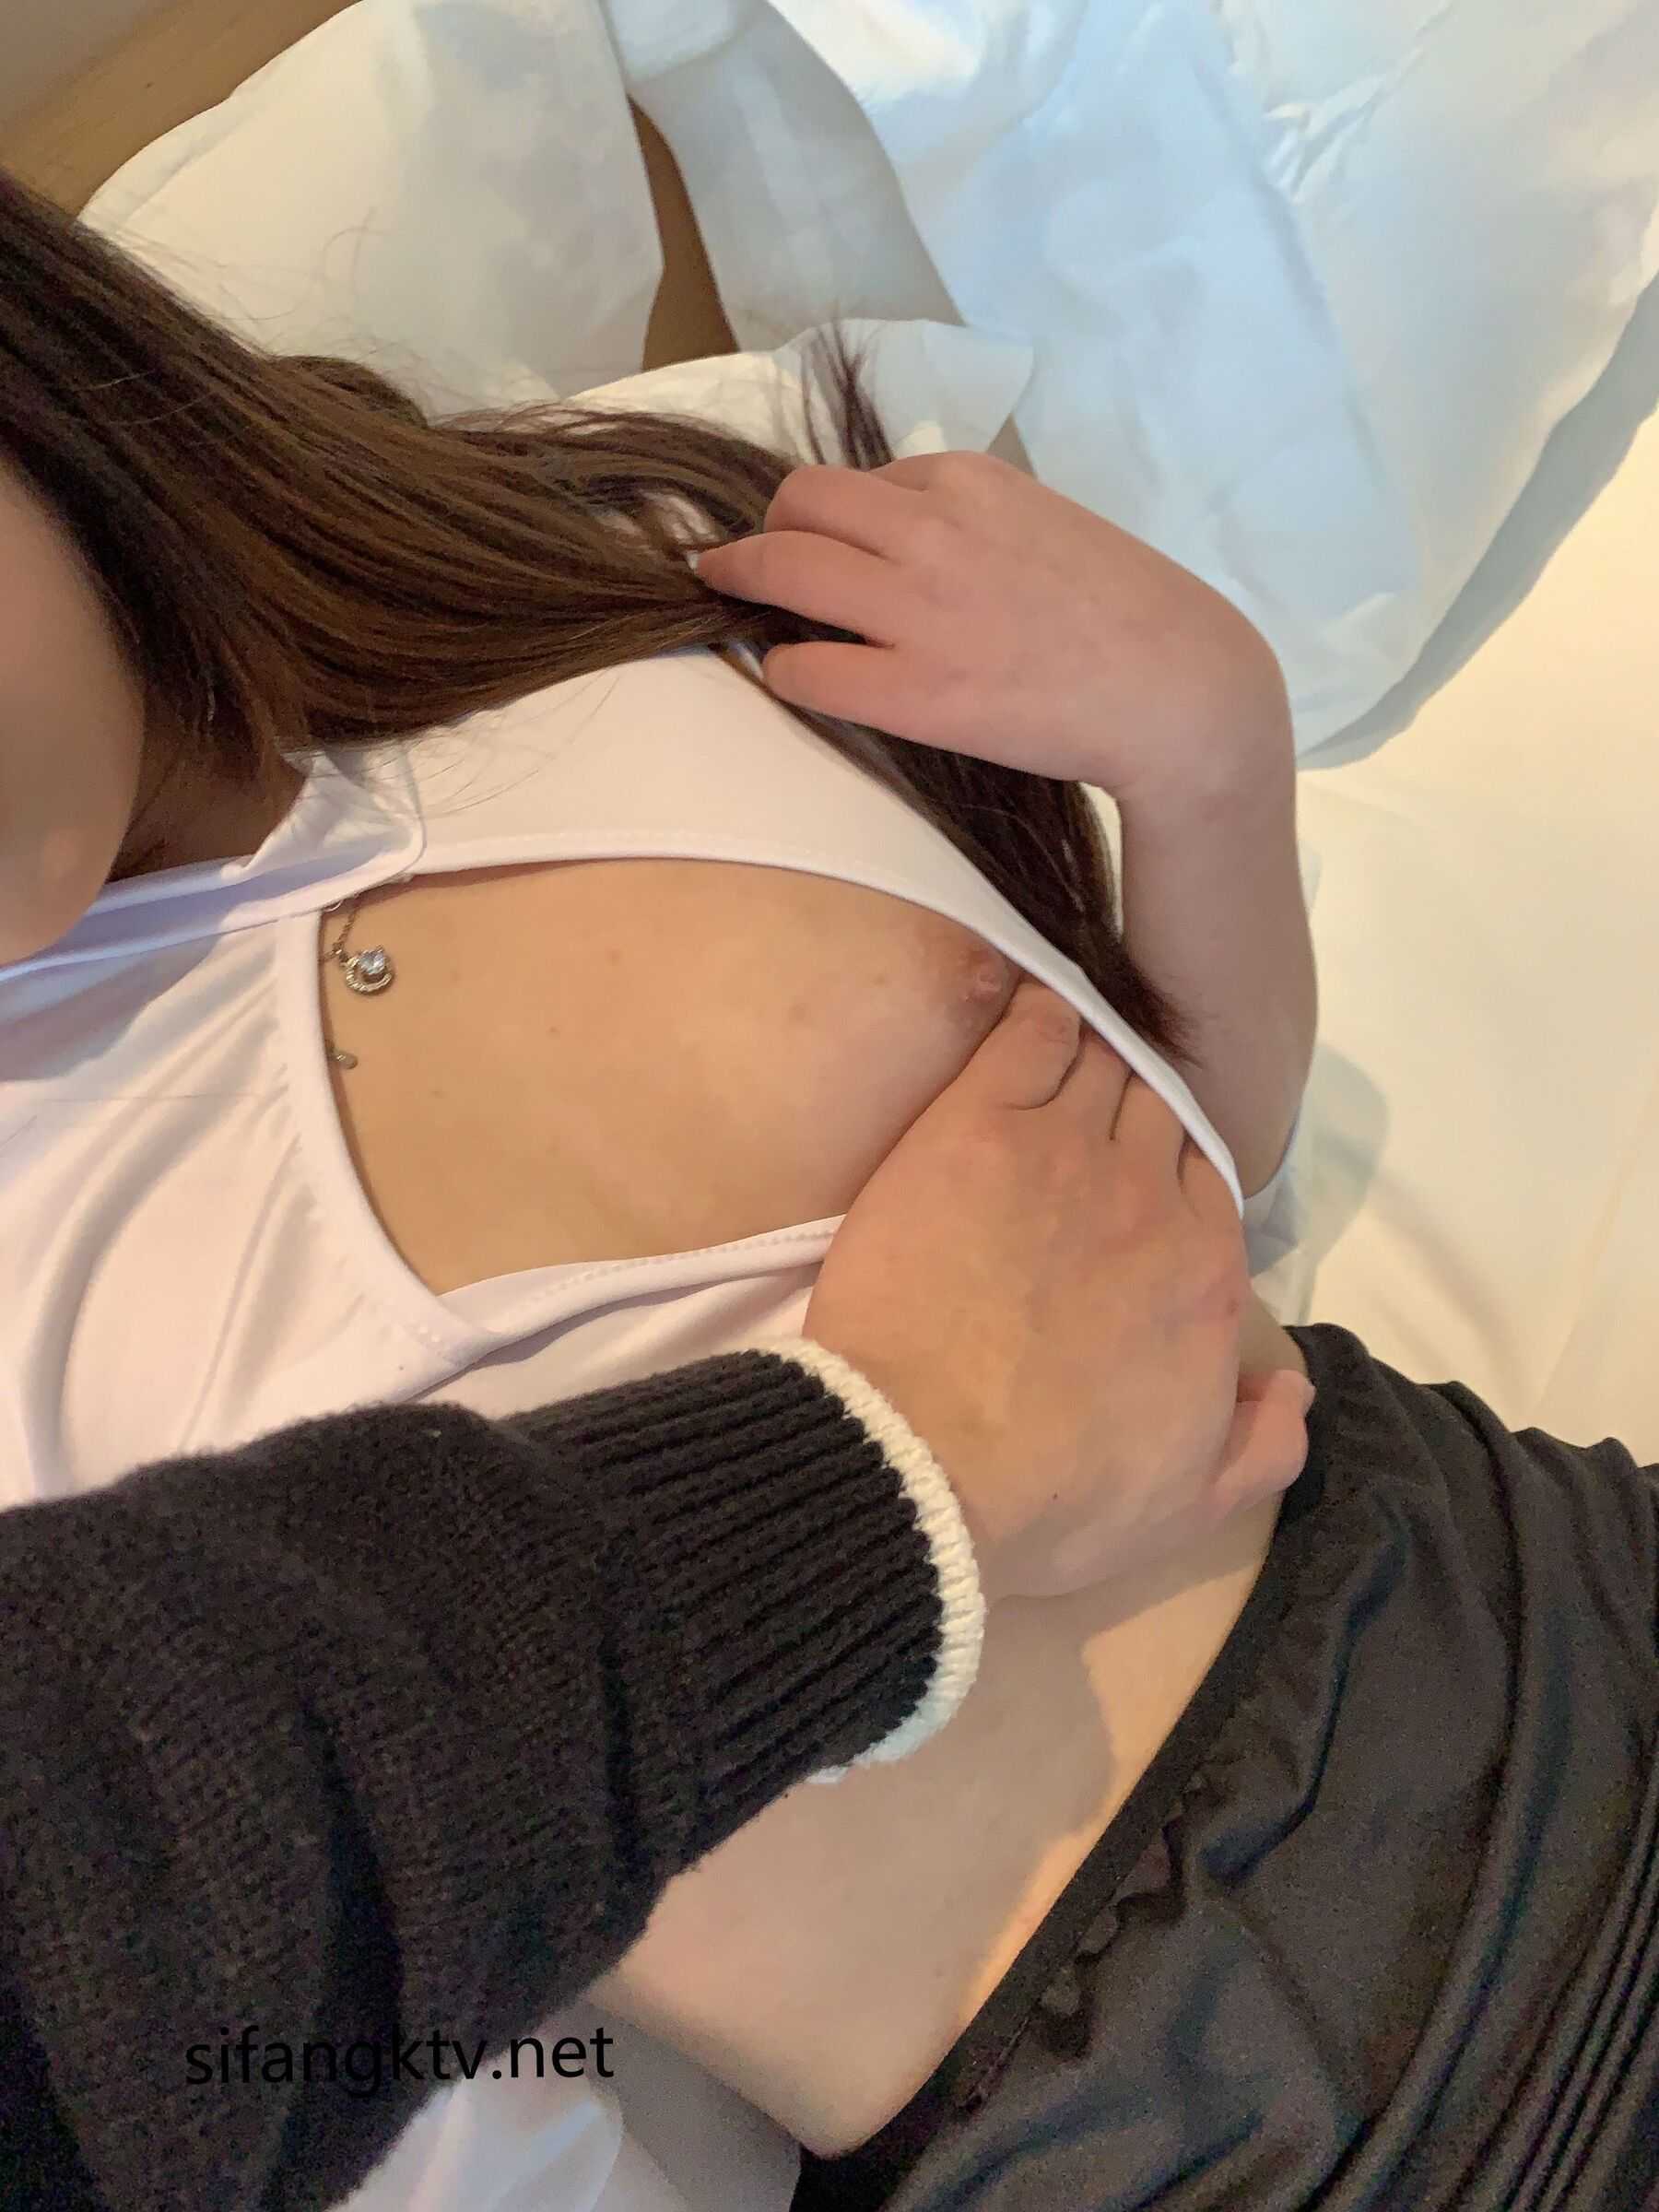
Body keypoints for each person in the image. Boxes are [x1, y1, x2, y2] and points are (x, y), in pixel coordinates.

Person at [2, 164, 1653, 2212]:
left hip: (1544, 1575)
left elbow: (1171, 1204)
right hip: (1231, 2131)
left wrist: (1210, 755)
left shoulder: (605, 555)